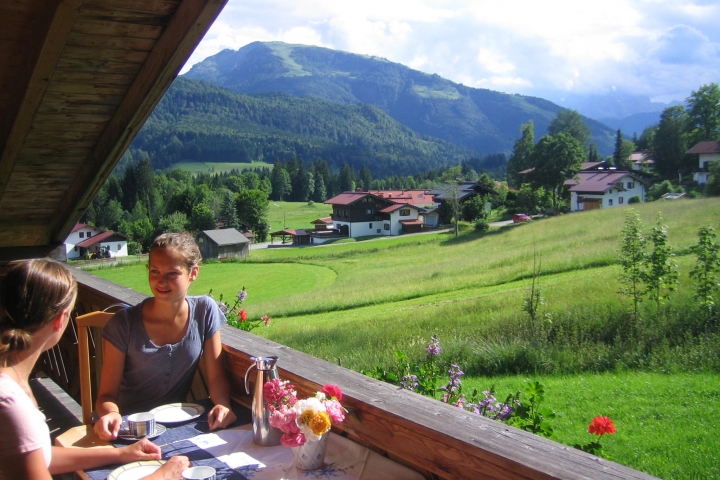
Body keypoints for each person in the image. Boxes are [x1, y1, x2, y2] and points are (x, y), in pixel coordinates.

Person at [0, 258, 190, 479]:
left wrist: (119, 454)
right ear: (60, 320)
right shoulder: (11, 403)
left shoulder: (11, 379)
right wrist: (163, 475)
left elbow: (40, 456)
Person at [94, 233, 237, 441]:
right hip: (127, 430)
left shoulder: (205, 310)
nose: (161, 281)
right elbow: (106, 396)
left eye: (172, 273)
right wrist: (111, 414)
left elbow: (216, 378)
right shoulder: (123, 324)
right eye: (154, 271)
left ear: (193, 273)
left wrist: (222, 405)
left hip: (177, 426)